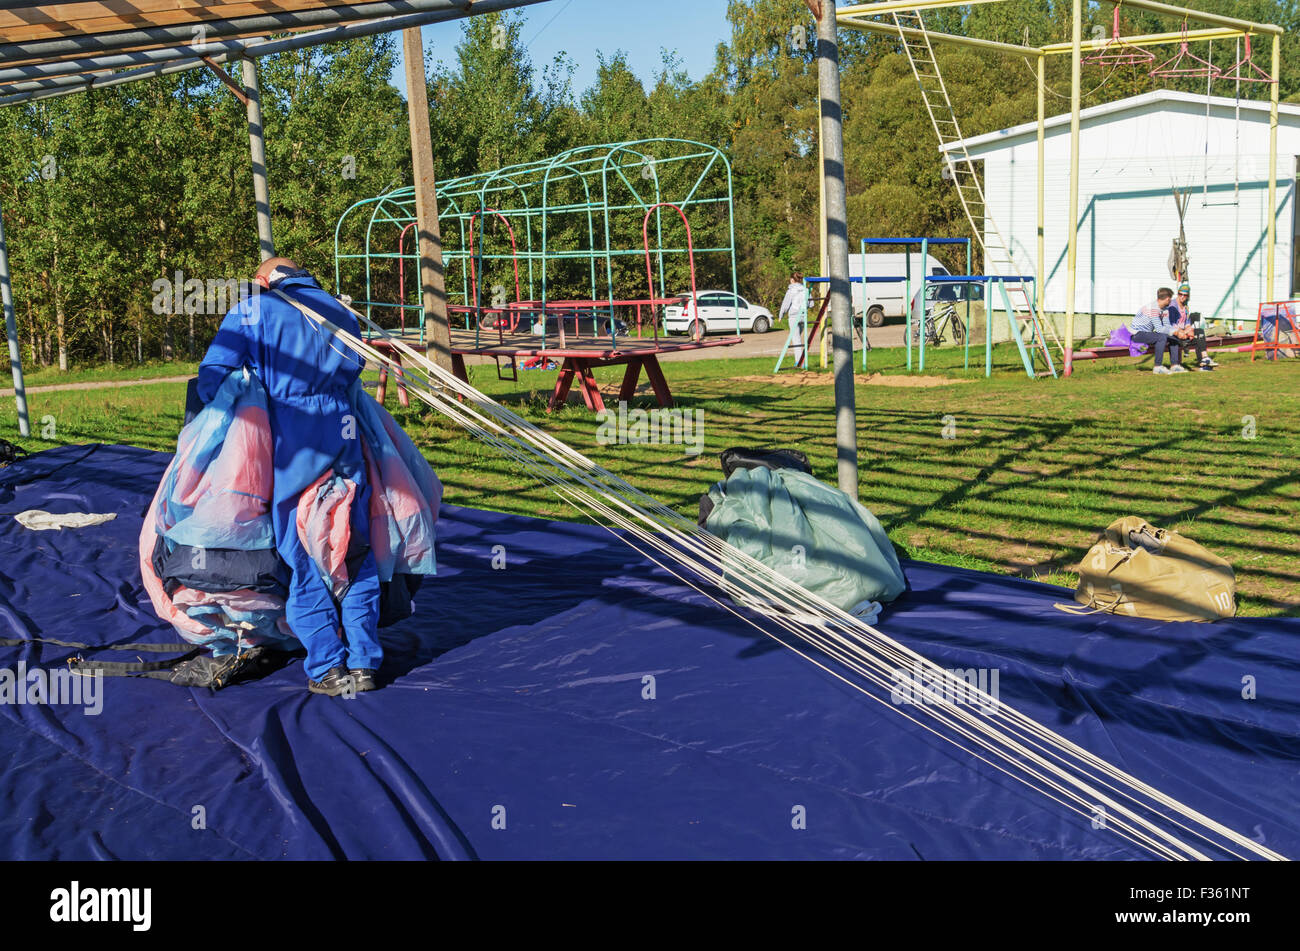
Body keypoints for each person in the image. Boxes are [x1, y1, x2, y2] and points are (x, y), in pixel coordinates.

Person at [197, 257, 382, 696]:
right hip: (343, 436)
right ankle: (365, 664)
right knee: (350, 550)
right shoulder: (339, 310)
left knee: (302, 557)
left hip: (289, 442)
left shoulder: (251, 310)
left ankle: (327, 667)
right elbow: (355, 368)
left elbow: (213, 378)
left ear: (263, 280)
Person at [1132, 287, 1195, 375]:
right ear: (1167, 299)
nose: (1171, 301)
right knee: (1161, 337)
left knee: (1172, 337)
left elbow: (1167, 325)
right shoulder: (1153, 309)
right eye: (1170, 299)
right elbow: (1159, 329)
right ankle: (1157, 367)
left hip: (1147, 333)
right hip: (1137, 334)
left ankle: (1174, 366)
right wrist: (1176, 332)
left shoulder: (1165, 309)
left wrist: (1178, 332)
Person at [1165, 282, 1216, 370]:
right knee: (1196, 337)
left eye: (1185, 295)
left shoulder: (1185, 307)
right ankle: (1203, 362)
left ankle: (1204, 358)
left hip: (1183, 332)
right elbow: (1172, 325)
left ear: (1188, 296)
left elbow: (1187, 323)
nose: (1182, 296)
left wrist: (1190, 330)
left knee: (1199, 332)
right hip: (1174, 333)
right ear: (1177, 293)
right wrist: (1185, 331)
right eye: (1180, 294)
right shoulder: (1172, 306)